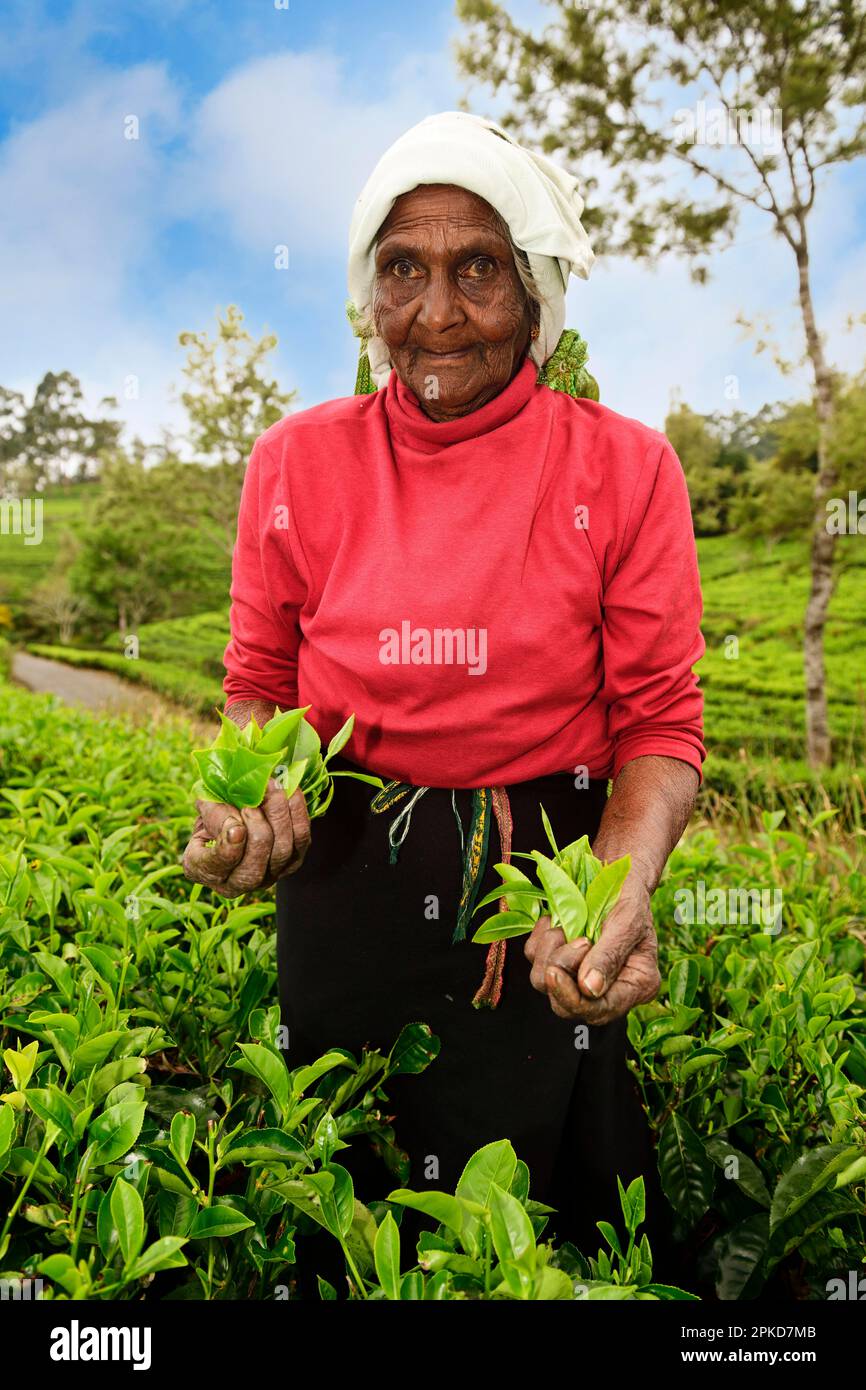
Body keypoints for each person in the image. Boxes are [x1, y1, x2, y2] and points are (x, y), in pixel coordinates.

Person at [183, 112, 705, 1258]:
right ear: (365, 294)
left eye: (477, 270)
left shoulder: (622, 469)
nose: (435, 313)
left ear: (532, 294)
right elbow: (258, 680)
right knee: (350, 1187)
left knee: (539, 1214)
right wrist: (248, 792)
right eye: (402, 270)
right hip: (345, 867)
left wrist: (615, 890)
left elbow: (660, 721)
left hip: (541, 889)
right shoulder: (294, 462)